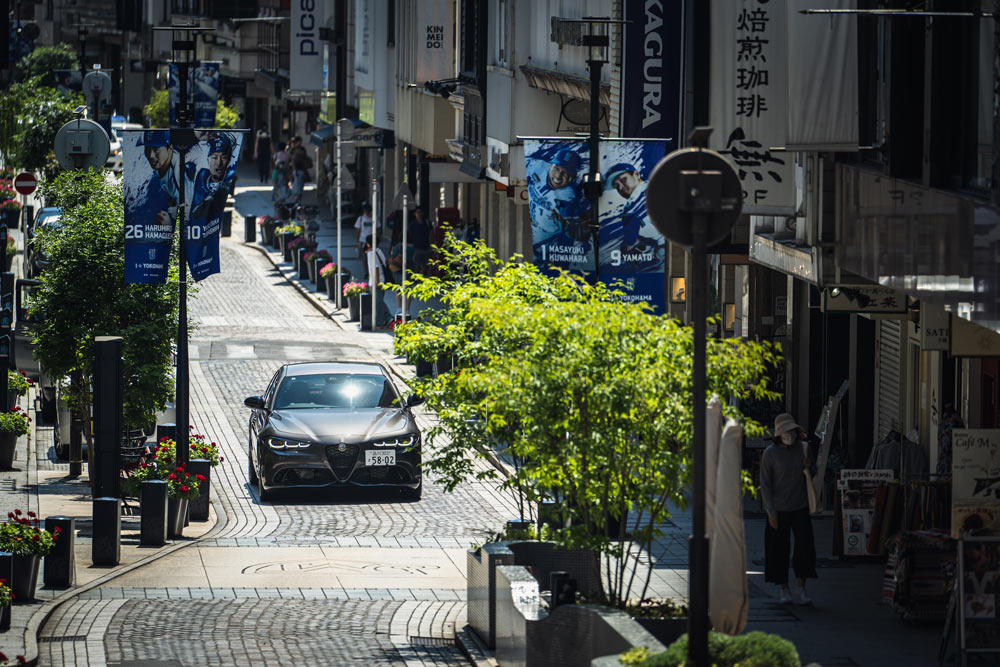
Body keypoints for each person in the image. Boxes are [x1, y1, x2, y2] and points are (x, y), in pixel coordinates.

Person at [760, 413, 818, 606]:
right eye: (785, 431)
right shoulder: (770, 453)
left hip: (800, 505)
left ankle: (801, 588)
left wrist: (808, 467)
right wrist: (770, 512)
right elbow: (765, 485)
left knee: (804, 547)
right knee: (778, 549)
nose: (788, 435)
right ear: (778, 433)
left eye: (791, 431)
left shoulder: (803, 449)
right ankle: (783, 588)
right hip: (778, 508)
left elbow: (813, 474)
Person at [525, 147, 590, 251]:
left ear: (572, 176)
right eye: (557, 168)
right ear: (551, 165)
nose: (558, 176)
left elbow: (574, 231)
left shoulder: (567, 197)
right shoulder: (538, 166)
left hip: (544, 239)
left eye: (565, 173)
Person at [602, 162, 661, 261]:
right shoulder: (653, 188)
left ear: (636, 174)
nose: (620, 187)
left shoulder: (638, 200)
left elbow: (630, 240)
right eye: (616, 185)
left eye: (623, 179)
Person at [364, 235, 393, 328]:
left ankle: (381, 321)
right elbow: (385, 262)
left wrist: (377, 282)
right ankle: (389, 318)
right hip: (382, 279)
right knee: (379, 301)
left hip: (376, 281)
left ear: (368, 243)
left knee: (377, 303)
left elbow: (375, 268)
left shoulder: (371, 254)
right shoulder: (378, 251)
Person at [408, 207, 432, 273]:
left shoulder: (427, 223)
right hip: (416, 248)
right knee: (416, 265)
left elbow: (431, 233)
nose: (419, 214)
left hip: (426, 247)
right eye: (418, 212)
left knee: (426, 266)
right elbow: (409, 235)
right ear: (415, 214)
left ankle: (423, 279)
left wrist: (431, 245)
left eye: (421, 212)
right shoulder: (412, 224)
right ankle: (417, 280)